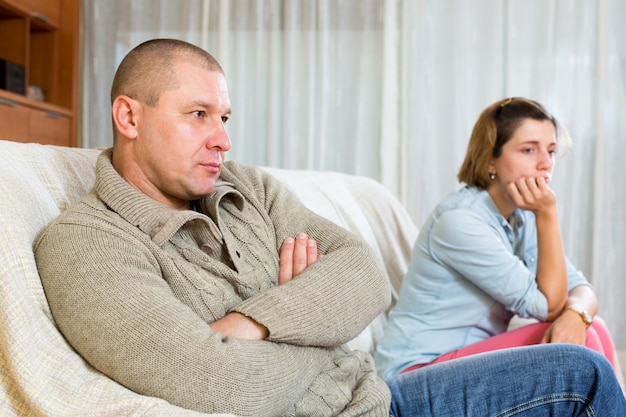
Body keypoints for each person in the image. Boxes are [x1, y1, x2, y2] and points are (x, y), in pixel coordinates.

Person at [35, 39, 625, 416]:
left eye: (225, 116)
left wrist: (251, 322)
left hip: (377, 397)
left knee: (584, 369)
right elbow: (214, 380)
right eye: (198, 115)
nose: (223, 137)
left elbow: (363, 276)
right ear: (129, 116)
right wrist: (315, 321)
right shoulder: (87, 244)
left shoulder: (247, 187)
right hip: (351, 404)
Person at [375, 97, 618, 380]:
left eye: (551, 151)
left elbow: (582, 289)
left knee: (592, 326)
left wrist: (577, 314)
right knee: (576, 344)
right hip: (414, 377)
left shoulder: (522, 216)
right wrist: (548, 213)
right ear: (491, 158)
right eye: (528, 150)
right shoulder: (460, 221)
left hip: (462, 362)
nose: (545, 164)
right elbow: (548, 308)